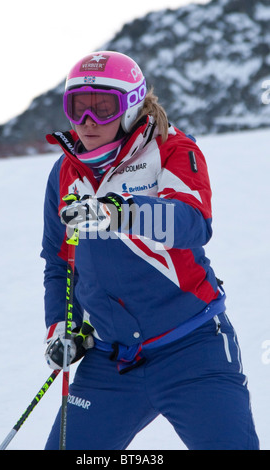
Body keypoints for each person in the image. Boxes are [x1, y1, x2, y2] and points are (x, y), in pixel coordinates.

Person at [41, 51, 259, 450]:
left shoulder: (171, 150)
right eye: (77, 107)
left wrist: (117, 213)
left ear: (130, 105)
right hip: (110, 361)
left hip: (192, 350)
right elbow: (59, 264)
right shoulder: (65, 172)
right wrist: (61, 327)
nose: (87, 121)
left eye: (103, 107)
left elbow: (192, 223)